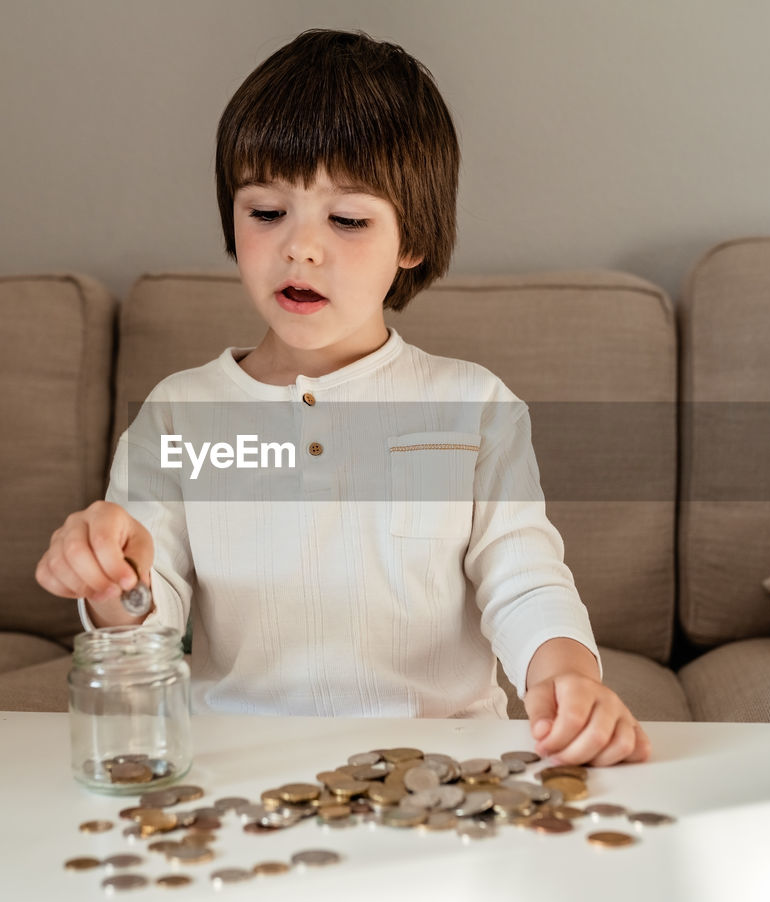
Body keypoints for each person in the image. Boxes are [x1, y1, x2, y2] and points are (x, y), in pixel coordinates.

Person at [36, 28, 649, 767]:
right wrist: (113, 579)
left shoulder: (471, 406)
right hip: (240, 768)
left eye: (348, 220)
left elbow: (523, 580)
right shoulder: (180, 414)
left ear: (411, 239)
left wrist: (569, 679)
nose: (301, 247)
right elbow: (143, 628)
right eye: (266, 212)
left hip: (440, 768)